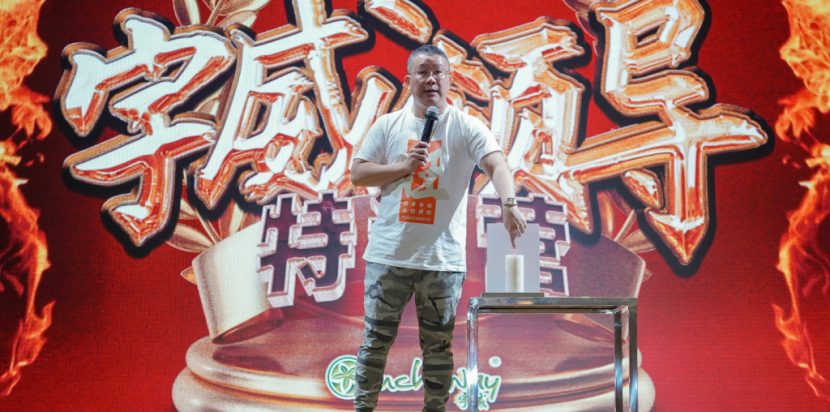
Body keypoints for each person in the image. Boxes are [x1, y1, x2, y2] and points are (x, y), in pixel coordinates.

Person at [350, 44, 527, 412]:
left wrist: (508, 203)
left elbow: (497, 164)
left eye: (438, 73)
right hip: (389, 256)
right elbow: (359, 172)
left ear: (449, 79)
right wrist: (402, 167)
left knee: (438, 347)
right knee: (375, 341)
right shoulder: (388, 125)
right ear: (408, 80)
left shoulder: (465, 126)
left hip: (441, 260)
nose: (431, 79)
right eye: (423, 72)